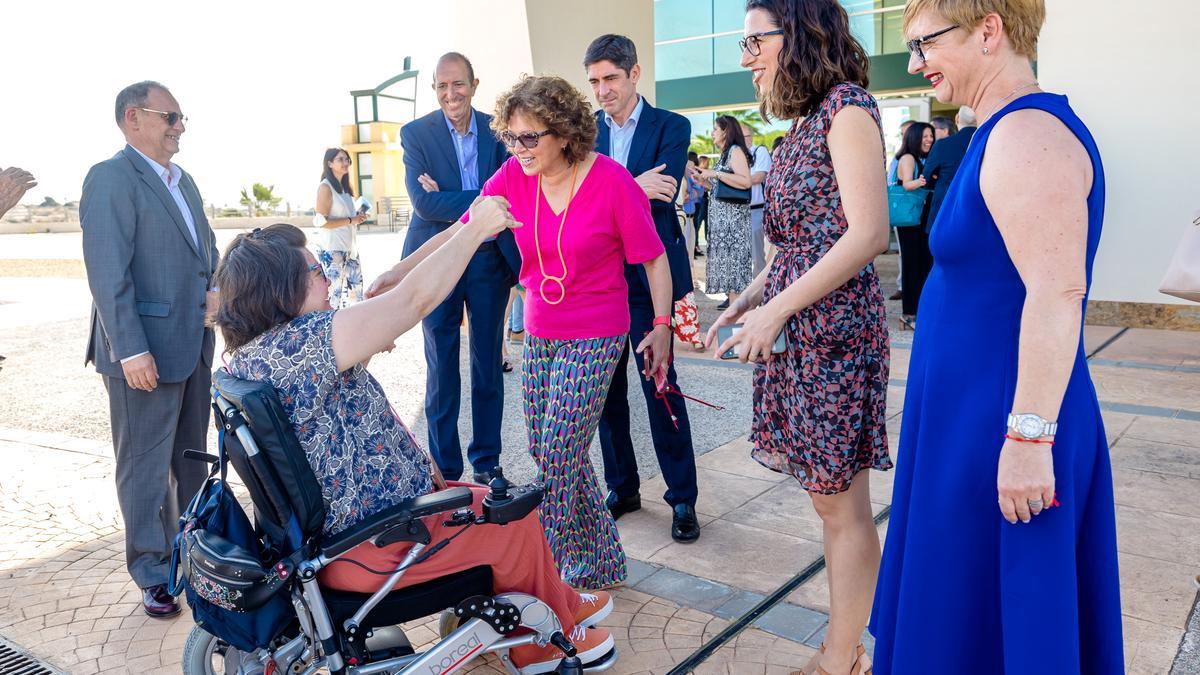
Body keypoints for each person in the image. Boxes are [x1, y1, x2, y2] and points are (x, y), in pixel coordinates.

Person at [216, 223, 616, 673]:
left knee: (490, 499)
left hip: (347, 538)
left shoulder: (256, 355)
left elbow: (319, 403)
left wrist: (368, 338)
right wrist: (477, 227)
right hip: (375, 547)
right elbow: (415, 302)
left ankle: (555, 599)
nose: (328, 277)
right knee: (514, 519)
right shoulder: (304, 343)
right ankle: (540, 643)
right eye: (317, 270)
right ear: (280, 290)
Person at [870, 0, 1124, 672]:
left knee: (995, 613)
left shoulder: (1027, 133)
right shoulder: (996, 130)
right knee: (963, 606)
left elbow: (1057, 290)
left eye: (925, 44)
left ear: (989, 30)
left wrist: (1028, 437)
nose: (916, 63)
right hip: (970, 419)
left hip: (1003, 423)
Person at [713, 2, 892, 673]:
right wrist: (753, 298)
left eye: (754, 40)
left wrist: (777, 309)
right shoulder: (801, 124)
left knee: (842, 504)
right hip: (801, 329)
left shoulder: (848, 109)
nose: (747, 55)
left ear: (800, 34)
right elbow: (798, 242)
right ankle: (847, 645)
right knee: (828, 499)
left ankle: (843, 655)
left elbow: (868, 233)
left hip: (835, 336)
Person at [468, 74, 674, 589]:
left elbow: (654, 260)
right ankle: (604, 560)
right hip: (540, 331)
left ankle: (559, 569)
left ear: (562, 132)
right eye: (511, 138)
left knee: (559, 452)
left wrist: (663, 326)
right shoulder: (515, 177)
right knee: (550, 449)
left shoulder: (611, 180)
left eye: (530, 137)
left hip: (597, 331)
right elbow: (465, 229)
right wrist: (401, 275)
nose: (518, 149)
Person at [80, 81, 219, 619]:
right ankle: (153, 573)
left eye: (182, 118)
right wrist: (130, 349)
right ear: (133, 118)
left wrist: (215, 291)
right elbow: (107, 272)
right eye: (171, 116)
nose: (180, 126)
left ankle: (196, 558)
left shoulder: (185, 183)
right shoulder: (111, 178)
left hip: (191, 344)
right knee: (144, 467)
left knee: (190, 460)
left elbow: (202, 251)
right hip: (142, 353)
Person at [368, 52, 517, 485]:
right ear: (434, 90)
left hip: (489, 260)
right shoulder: (416, 134)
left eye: (458, 84)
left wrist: (450, 195)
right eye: (441, 86)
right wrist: (479, 199)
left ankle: (487, 463)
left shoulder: (498, 132)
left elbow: (504, 197)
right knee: (441, 365)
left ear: (474, 83)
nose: (450, 94)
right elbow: (423, 203)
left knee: (488, 362)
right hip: (437, 260)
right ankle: (446, 470)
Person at [585, 33, 703, 542]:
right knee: (607, 392)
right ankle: (623, 487)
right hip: (601, 279)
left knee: (662, 387)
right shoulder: (582, 133)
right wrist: (631, 186)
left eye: (610, 78)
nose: (602, 90)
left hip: (653, 278)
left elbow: (663, 195)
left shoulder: (672, 126)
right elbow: (583, 198)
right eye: (593, 81)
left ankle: (682, 498)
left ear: (635, 74)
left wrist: (608, 193)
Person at [697, 115, 753, 310]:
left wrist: (715, 174)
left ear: (726, 131)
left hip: (734, 228)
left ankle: (738, 325)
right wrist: (705, 182)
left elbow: (745, 181)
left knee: (736, 275)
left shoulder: (736, 151)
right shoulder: (725, 153)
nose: (712, 133)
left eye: (715, 128)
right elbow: (724, 188)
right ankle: (734, 320)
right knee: (730, 276)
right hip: (724, 228)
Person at [312, 148, 367, 308]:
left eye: (347, 160)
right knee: (332, 296)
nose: (345, 163)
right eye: (340, 159)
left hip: (350, 250)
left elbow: (347, 218)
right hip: (333, 250)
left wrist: (357, 217)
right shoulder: (325, 187)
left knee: (355, 297)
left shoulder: (345, 190)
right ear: (329, 163)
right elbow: (321, 221)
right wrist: (351, 219)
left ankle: (354, 329)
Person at [892, 121, 935, 326]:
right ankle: (908, 314)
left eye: (931, 136)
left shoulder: (919, 158)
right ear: (915, 137)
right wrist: (923, 181)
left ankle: (916, 310)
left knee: (921, 263)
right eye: (926, 136)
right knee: (911, 265)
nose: (930, 140)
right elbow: (907, 184)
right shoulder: (908, 158)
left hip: (916, 219)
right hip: (909, 221)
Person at [920, 106, 978, 230]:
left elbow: (925, 179)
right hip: (980, 207)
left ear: (957, 118)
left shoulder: (942, 145)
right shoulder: (991, 140)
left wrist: (938, 179)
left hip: (945, 206)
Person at [742, 123, 773, 277]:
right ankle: (737, 296)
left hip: (755, 210)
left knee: (756, 256)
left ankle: (758, 295)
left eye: (744, 136)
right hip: (738, 210)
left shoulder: (759, 152)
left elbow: (759, 176)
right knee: (739, 256)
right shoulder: (732, 156)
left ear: (750, 137)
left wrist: (734, 181)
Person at [693, 155, 711, 257]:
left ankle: (702, 245)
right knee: (698, 224)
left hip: (705, 200)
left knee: (706, 225)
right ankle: (696, 246)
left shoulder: (706, 172)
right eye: (706, 161)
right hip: (700, 200)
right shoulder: (699, 173)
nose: (708, 163)